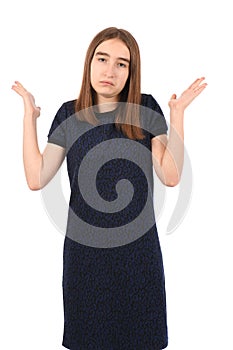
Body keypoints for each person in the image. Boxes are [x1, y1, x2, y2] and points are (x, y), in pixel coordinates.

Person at [12, 27, 207, 350]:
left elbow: (170, 176)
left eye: (122, 63)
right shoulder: (69, 114)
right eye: (102, 59)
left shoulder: (145, 109)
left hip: (138, 256)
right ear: (90, 62)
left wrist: (177, 116)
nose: (110, 70)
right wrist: (29, 118)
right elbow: (36, 178)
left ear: (131, 72)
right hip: (85, 259)